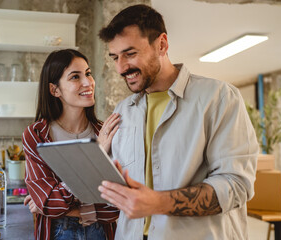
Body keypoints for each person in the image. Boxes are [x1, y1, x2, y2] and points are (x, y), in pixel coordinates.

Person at [97, 4, 259, 240]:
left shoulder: (219, 98)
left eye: (130, 54)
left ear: (161, 44)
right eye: (115, 57)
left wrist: (158, 203)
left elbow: (236, 186)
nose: (121, 67)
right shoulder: (124, 111)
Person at [22, 49, 120, 240]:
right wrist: (95, 154)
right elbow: (49, 203)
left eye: (88, 74)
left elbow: (116, 206)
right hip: (57, 232)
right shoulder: (36, 135)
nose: (88, 82)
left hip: (101, 233)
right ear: (54, 90)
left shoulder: (106, 131)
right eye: (75, 76)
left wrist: (61, 204)